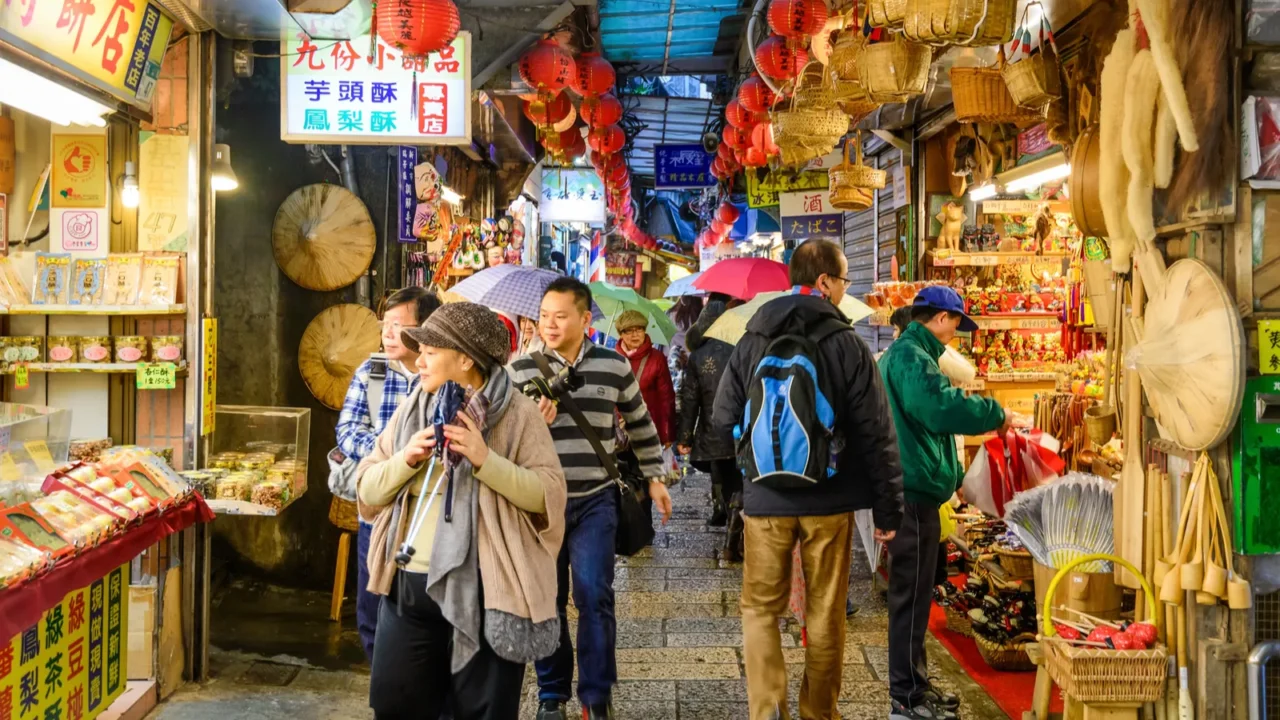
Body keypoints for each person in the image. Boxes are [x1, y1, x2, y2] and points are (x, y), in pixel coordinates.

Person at [712, 239, 903, 720]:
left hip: (765, 500)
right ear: (824, 282)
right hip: (829, 501)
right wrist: (888, 509)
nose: (844, 290)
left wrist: (751, 462)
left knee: (759, 607)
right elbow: (877, 431)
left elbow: (722, 415)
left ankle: (767, 708)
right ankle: (819, 711)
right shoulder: (846, 343)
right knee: (824, 613)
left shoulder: (753, 336)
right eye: (843, 280)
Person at [356, 302, 567, 720]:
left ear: (466, 357)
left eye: (431, 352)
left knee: (482, 710)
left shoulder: (518, 414)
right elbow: (366, 490)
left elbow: (548, 496)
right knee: (396, 705)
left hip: (487, 589)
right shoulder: (414, 409)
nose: (419, 361)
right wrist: (407, 460)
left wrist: (486, 460)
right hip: (410, 587)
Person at [509, 277, 673, 720]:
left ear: (585, 319)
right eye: (544, 316)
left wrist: (655, 477)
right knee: (548, 598)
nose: (550, 324)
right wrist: (533, 424)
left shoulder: (613, 365)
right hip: (541, 505)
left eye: (560, 316)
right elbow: (503, 439)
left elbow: (640, 423)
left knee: (594, 593)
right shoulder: (520, 370)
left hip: (595, 499)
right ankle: (551, 693)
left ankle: (596, 696)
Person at [879, 286, 1015, 720]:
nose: (956, 333)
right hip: (912, 496)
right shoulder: (910, 357)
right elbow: (938, 409)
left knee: (917, 600)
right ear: (940, 317)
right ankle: (906, 698)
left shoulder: (911, 354)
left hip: (916, 492)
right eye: (956, 323)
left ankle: (915, 687)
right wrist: (996, 414)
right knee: (910, 601)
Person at [336, 286, 441, 661]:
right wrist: (391, 458)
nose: (389, 333)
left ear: (427, 328)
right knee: (372, 604)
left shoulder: (444, 377)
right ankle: (385, 688)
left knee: (424, 604)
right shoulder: (373, 372)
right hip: (380, 510)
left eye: (399, 325)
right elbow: (347, 431)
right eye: (386, 325)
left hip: (428, 514)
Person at [674, 298, 739, 541]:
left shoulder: (698, 356)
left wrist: (685, 437)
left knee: (717, 467)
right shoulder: (740, 349)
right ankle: (734, 511)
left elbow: (690, 401)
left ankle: (720, 508)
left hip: (711, 426)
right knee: (736, 472)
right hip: (739, 425)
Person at [615, 310, 676, 447]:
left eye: (639, 329)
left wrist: (667, 434)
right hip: (618, 432)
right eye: (629, 331)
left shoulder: (657, 359)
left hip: (648, 430)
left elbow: (666, 399)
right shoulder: (612, 359)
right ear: (621, 334)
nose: (635, 334)